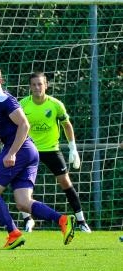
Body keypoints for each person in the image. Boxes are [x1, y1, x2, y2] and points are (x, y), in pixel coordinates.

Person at [0, 65, 76, 249]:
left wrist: (12, 153)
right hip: (27, 150)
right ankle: (62, 220)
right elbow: (12, 130)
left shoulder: (5, 100)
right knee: (23, 203)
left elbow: (24, 125)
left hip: (21, 150)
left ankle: (13, 234)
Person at [19, 72, 91, 233]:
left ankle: (81, 221)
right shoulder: (23, 104)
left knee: (66, 182)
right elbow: (16, 127)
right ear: (30, 87)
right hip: (29, 150)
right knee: (21, 185)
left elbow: (67, 125)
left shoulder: (55, 104)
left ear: (46, 85)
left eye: (40, 84)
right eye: (34, 84)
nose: (37, 87)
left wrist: (73, 149)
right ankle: (27, 220)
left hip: (52, 150)